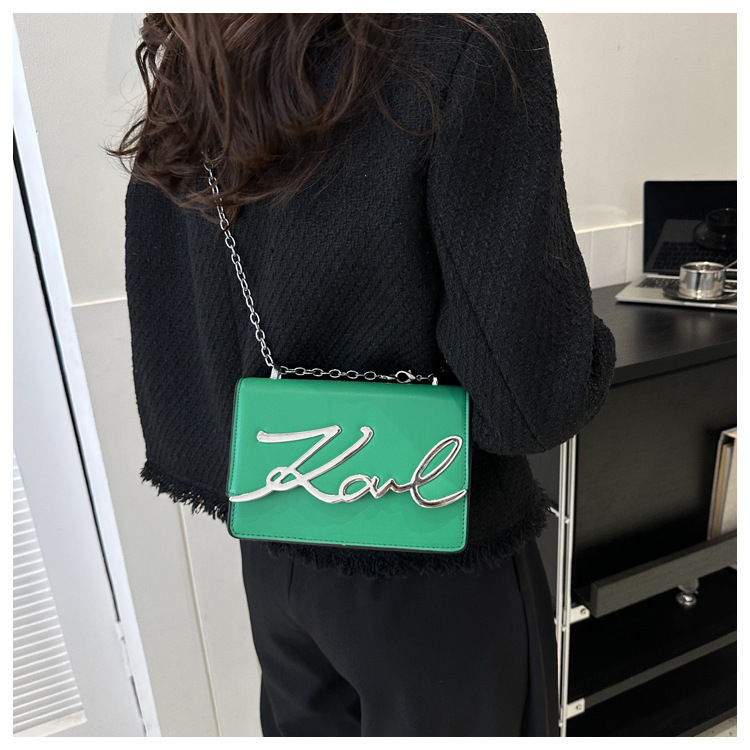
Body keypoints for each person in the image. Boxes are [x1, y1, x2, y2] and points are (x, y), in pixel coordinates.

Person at [114, 13, 617, 737]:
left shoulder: (205, 46)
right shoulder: (468, 40)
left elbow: (173, 305)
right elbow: (531, 400)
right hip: (432, 559)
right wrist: (587, 347)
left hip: (279, 543)